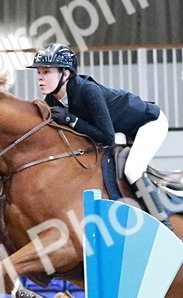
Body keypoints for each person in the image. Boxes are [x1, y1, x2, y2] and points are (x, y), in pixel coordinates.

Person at [26, 42, 169, 199]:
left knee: (133, 170)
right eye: (38, 72)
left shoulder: (88, 91)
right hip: (119, 128)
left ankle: (162, 220)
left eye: (46, 72)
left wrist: (69, 119)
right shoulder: (51, 100)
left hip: (148, 122)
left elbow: (107, 137)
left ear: (65, 74)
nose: (40, 77)